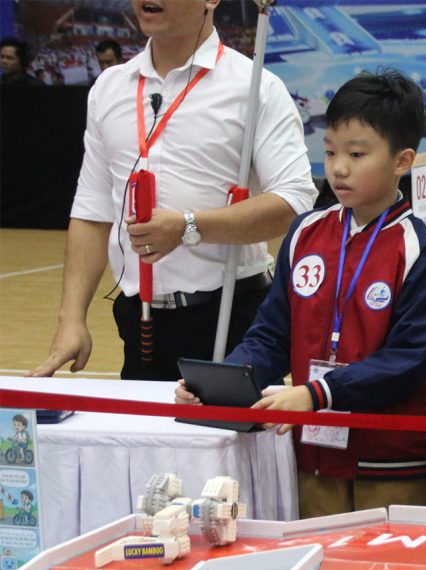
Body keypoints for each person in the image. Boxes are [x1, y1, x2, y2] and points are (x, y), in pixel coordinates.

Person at [179, 70, 426, 516]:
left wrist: (318, 393)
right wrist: (219, 384)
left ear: (402, 161)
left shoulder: (418, 249)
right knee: (317, 555)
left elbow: (407, 360)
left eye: (356, 154)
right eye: (329, 151)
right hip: (311, 453)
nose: (338, 167)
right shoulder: (306, 232)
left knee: (388, 558)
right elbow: (272, 334)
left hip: (390, 458)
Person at [30, 0, 317, 380]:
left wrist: (188, 227)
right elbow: (92, 209)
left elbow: (294, 201)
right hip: (140, 319)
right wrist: (71, 319)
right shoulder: (110, 87)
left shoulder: (256, 86)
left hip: (230, 317)